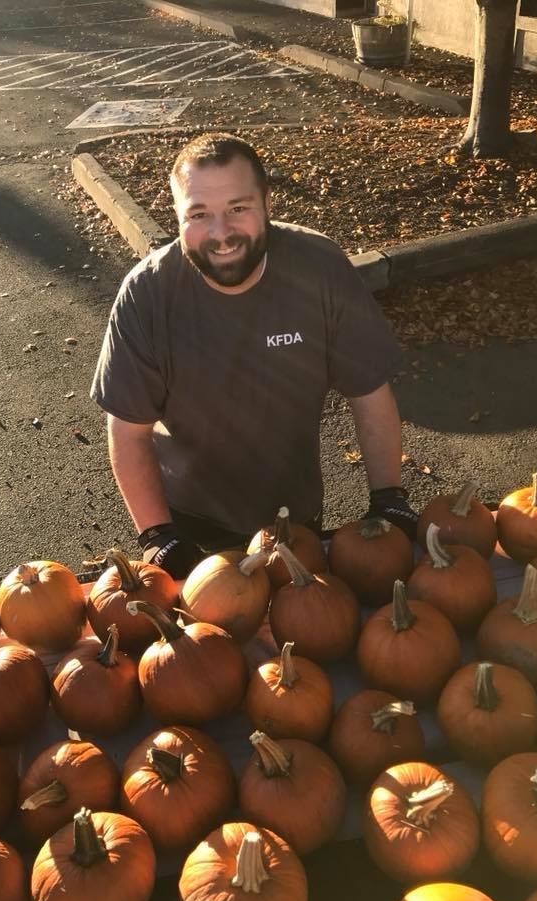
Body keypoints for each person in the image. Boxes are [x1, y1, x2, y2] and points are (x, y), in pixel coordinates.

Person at [91, 133, 417, 579]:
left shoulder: (319, 269)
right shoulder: (146, 295)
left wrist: (388, 499)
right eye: (199, 214)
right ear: (177, 214)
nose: (221, 233)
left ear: (267, 201)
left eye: (238, 209)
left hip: (292, 517)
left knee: (302, 629)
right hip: (188, 521)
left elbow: (369, 392)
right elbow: (128, 432)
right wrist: (156, 535)